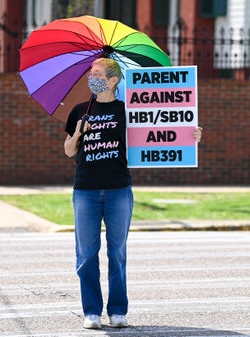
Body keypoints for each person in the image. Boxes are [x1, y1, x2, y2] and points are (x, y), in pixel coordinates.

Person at [64, 57, 203, 330]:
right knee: (86, 255)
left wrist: (191, 135)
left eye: (98, 74)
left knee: (117, 253)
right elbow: (69, 150)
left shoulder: (128, 111)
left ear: (114, 80)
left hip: (118, 190)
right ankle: (91, 312)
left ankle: (117, 311)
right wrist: (78, 133)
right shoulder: (80, 111)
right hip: (85, 191)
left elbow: (162, 129)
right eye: (91, 74)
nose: (92, 78)